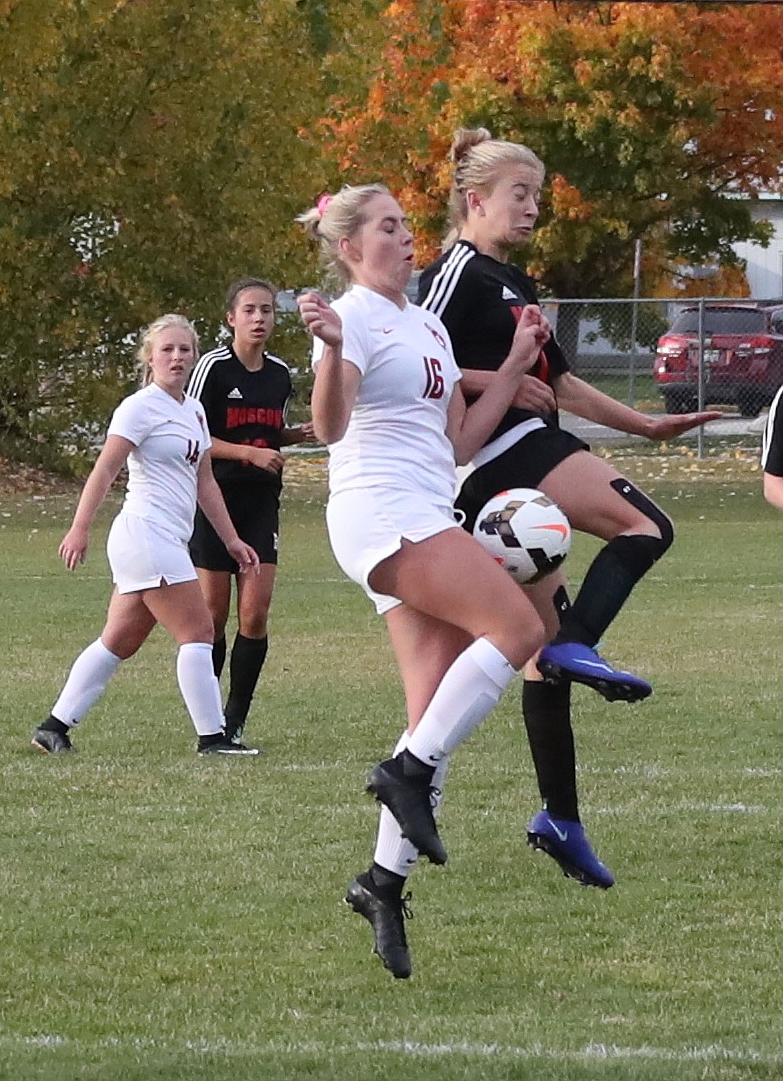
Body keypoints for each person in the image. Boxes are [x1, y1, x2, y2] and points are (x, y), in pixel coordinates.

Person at [419, 127, 721, 888]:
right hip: (495, 456)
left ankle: (559, 817)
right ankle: (577, 642)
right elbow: (415, 366)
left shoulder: (509, 279)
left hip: (524, 451)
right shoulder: (453, 274)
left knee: (538, 660)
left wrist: (646, 423)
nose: (531, 209)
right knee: (645, 525)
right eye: (519, 195)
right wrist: (498, 378)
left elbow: (559, 383)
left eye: (536, 197)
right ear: (474, 198)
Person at [296, 183, 552, 980]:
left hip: (424, 502)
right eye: (386, 228)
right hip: (382, 513)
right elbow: (330, 428)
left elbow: (459, 443)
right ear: (349, 248)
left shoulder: (426, 323)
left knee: (430, 711)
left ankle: (381, 883)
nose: (407, 239)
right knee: (520, 632)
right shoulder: (355, 318)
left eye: (408, 226)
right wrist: (334, 347)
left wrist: (510, 367)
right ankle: (400, 776)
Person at [31, 313, 260, 757]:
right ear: (150, 357)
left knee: (119, 640)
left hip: (166, 539)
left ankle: (52, 727)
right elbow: (105, 469)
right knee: (198, 630)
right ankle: (213, 739)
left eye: (185, 349)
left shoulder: (192, 409)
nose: (177, 357)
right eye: (167, 349)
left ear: (194, 355)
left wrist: (231, 539)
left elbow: (205, 483)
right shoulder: (139, 407)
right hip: (144, 533)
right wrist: (79, 528)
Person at [187, 278, 314, 750]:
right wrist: (247, 454)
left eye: (267, 311)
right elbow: (195, 436)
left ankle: (235, 718)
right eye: (249, 310)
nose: (259, 318)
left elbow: (269, 434)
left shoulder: (280, 373)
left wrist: (296, 435)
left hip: (261, 504)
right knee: (212, 618)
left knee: (254, 616)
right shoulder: (212, 369)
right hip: (215, 502)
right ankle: (208, 719)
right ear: (231, 319)